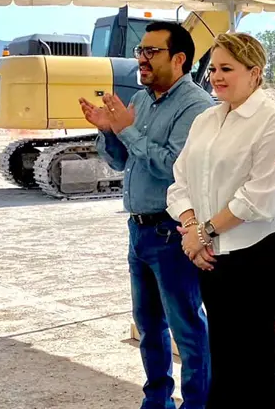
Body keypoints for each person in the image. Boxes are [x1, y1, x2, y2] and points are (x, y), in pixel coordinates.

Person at [79, 21, 214, 409]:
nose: (142, 59)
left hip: (173, 233)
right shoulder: (140, 101)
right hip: (139, 232)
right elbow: (122, 161)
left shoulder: (196, 108)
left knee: (187, 329)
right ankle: (157, 401)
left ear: (179, 59)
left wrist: (130, 132)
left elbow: (175, 167)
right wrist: (109, 131)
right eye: (141, 52)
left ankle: (197, 404)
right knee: (150, 327)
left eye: (151, 52)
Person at [166, 32, 275, 409]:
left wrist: (203, 233)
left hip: (257, 255)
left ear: (254, 72)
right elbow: (180, 182)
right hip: (211, 255)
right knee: (223, 362)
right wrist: (193, 230)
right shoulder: (207, 120)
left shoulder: (272, 121)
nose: (216, 77)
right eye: (213, 69)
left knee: (253, 366)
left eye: (227, 68)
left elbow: (258, 197)